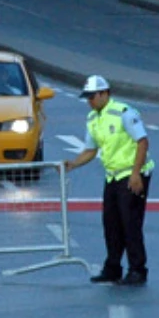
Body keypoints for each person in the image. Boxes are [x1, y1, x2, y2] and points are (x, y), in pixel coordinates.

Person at [64, 75, 154, 287]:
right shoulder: (93, 119)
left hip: (132, 174)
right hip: (113, 175)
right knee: (111, 223)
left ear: (105, 93)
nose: (89, 101)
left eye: (92, 96)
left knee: (130, 224)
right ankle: (113, 268)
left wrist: (135, 174)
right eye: (87, 97)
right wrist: (73, 164)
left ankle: (137, 270)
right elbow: (90, 150)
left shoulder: (123, 113)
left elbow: (142, 142)